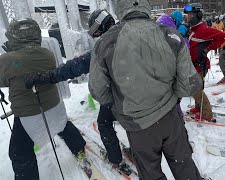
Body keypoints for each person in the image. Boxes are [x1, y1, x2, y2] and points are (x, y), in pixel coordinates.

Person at [89, 0, 204, 179]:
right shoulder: (170, 35)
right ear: (146, 7)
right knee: (184, 166)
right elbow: (190, 84)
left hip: (138, 124)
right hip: (171, 118)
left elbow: (98, 91)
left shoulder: (105, 41)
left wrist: (121, 102)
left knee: (150, 173)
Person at [23, 9, 131, 172]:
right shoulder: (132, 36)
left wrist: (44, 78)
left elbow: (72, 68)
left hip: (116, 96)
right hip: (140, 95)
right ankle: (139, 152)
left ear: (101, 26)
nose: (97, 36)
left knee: (104, 123)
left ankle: (115, 158)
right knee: (135, 124)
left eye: (97, 32)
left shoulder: (104, 47)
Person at [0, 18, 86, 180]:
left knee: (20, 153)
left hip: (28, 115)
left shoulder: (6, 60)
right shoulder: (47, 54)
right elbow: (28, 64)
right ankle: (79, 148)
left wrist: (9, 53)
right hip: (54, 106)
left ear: (14, 37)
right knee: (62, 126)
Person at [184, 3, 225, 122]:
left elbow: (222, 36)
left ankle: (207, 114)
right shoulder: (193, 29)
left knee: (195, 90)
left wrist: (208, 48)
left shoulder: (202, 29)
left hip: (199, 65)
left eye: (191, 14)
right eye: (188, 15)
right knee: (197, 88)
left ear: (197, 15)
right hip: (194, 64)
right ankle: (198, 108)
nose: (188, 17)